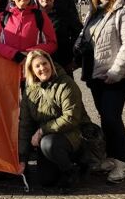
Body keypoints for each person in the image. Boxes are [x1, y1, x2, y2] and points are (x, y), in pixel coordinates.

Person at [73, 0, 125, 183]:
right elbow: (85, 39)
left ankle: (121, 163)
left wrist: (116, 72)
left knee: (112, 117)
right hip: (97, 75)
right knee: (105, 116)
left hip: (117, 76)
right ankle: (111, 157)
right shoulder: (94, 12)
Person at [18, 50, 89, 190]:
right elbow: (25, 124)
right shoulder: (29, 90)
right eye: (37, 66)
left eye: (45, 63)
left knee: (48, 144)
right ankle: (60, 163)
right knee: (46, 180)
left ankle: (73, 170)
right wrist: (22, 159)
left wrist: (42, 130)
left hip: (73, 133)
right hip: (49, 135)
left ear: (51, 63)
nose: (42, 68)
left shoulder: (66, 84)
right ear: (31, 70)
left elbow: (71, 118)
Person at [0, 0, 58, 66]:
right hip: (7, 68)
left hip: (32, 69)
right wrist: (14, 54)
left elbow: (52, 44)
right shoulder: (3, 16)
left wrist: (29, 53)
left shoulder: (40, 15)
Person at [35, 0, 82, 74]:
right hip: (38, 68)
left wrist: (76, 60)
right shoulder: (32, 16)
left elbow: (80, 35)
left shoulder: (65, 13)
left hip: (63, 66)